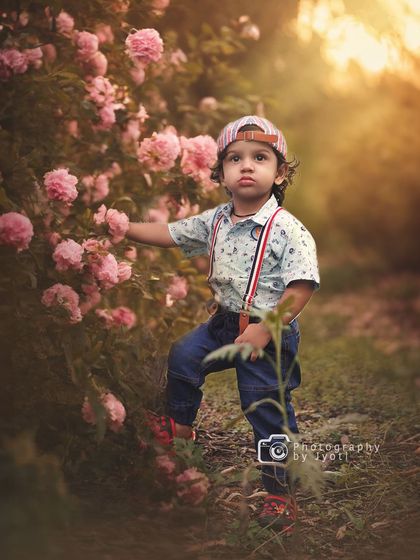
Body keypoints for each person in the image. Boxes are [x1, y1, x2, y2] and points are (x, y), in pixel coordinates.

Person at [127, 115, 320, 532]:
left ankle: (278, 494)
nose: (246, 166)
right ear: (221, 174)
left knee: (264, 407)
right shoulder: (215, 220)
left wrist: (265, 328)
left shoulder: (288, 230)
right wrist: (123, 229)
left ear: (280, 171)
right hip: (223, 325)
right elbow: (171, 232)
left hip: (267, 333)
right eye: (235, 158)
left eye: (260, 157)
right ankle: (181, 427)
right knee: (182, 356)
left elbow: (300, 288)